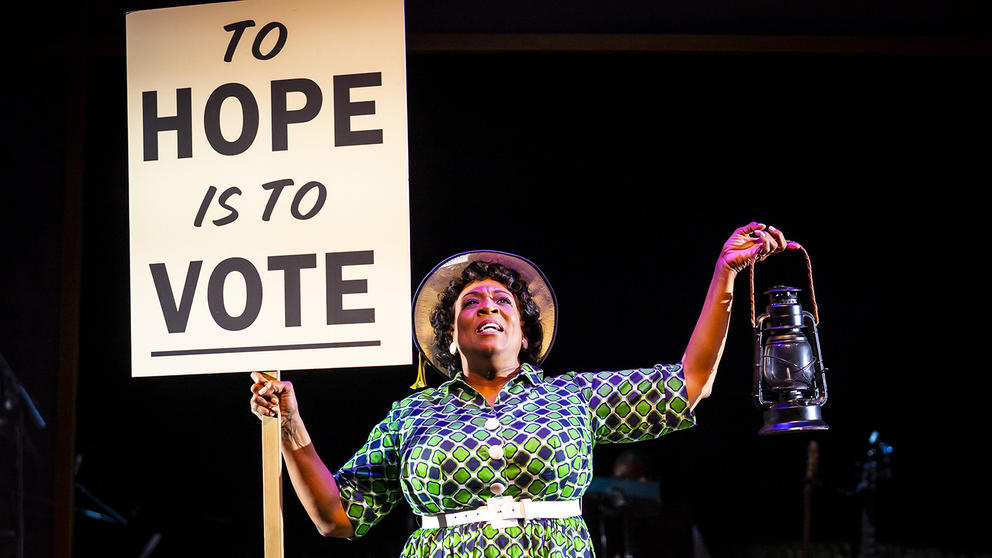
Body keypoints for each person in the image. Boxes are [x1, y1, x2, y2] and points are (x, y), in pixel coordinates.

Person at [249, 222, 796, 557]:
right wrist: (290, 422)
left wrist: (725, 275)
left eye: (502, 301)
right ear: (450, 334)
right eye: (471, 302)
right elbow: (337, 520)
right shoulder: (411, 416)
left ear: (525, 330)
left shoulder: (572, 399)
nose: (487, 306)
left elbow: (690, 384)